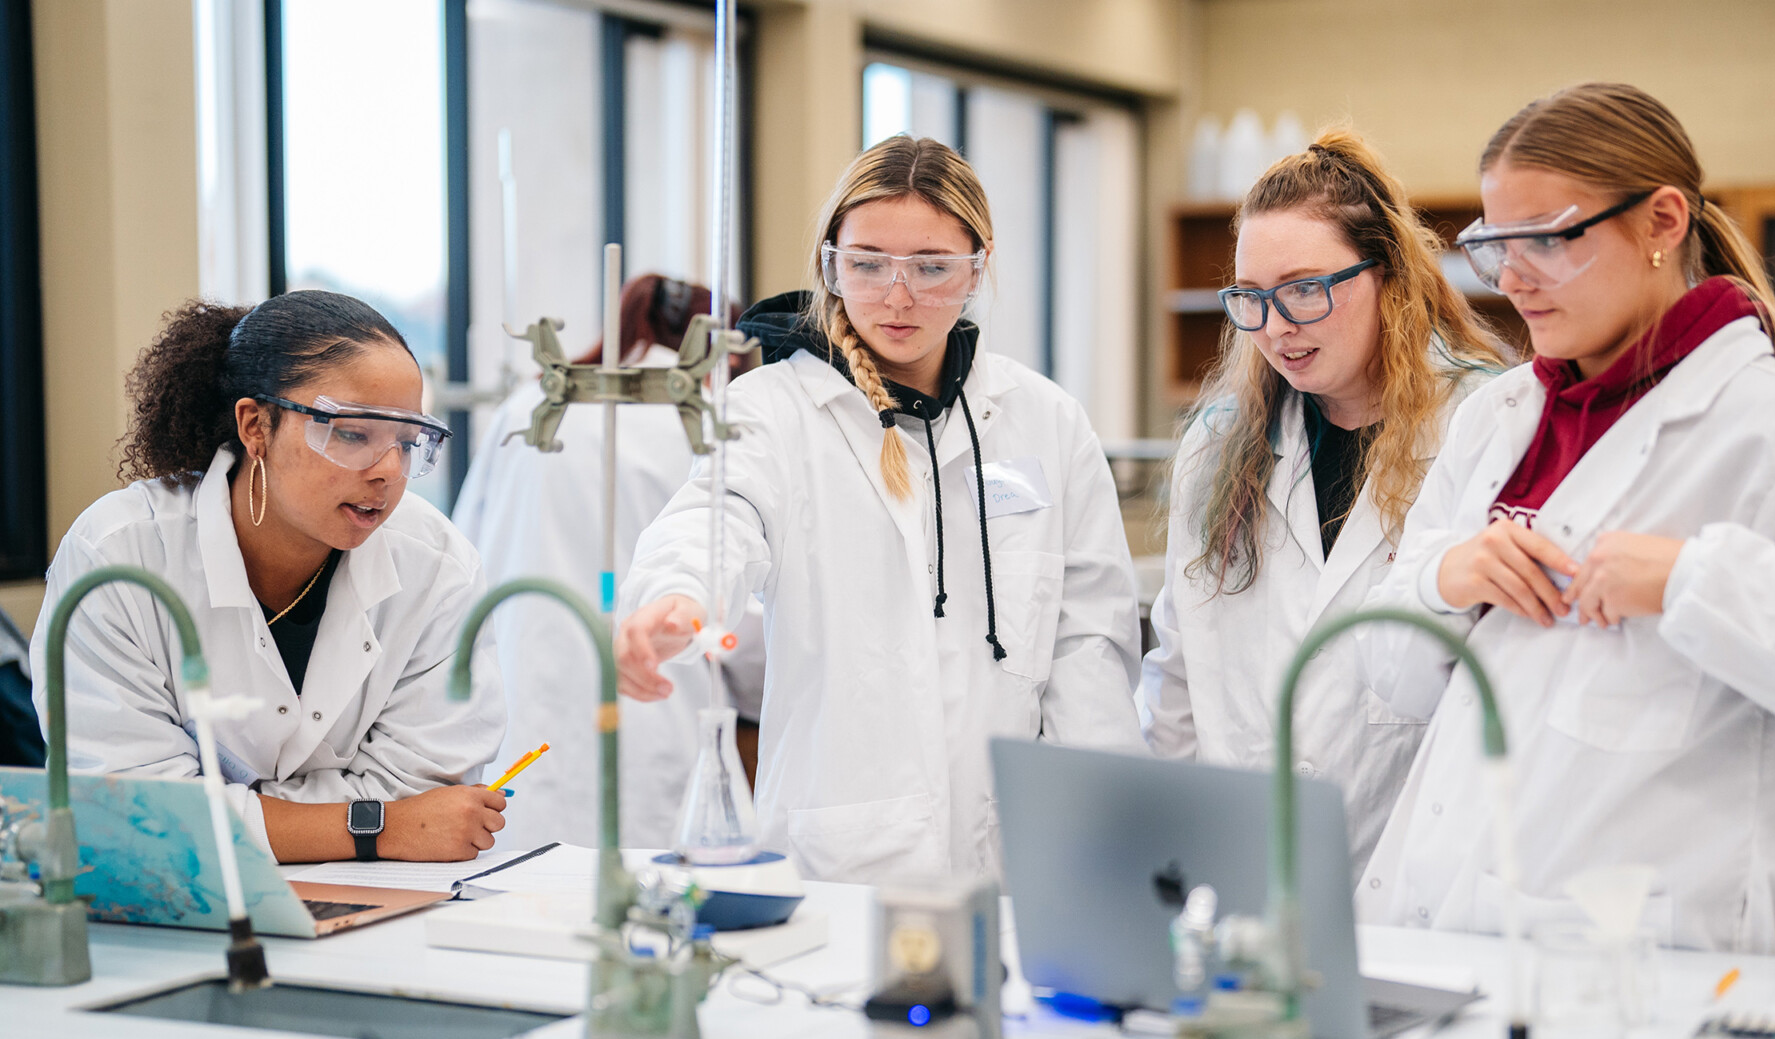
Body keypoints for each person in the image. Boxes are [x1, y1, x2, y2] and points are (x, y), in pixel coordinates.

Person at [1356, 83, 1775, 954]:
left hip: (1657, 959)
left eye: (1548, 239)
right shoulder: (1495, 419)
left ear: (1662, 221)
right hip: (1449, 930)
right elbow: (1389, 679)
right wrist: (1441, 578)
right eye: (1498, 245)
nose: (1515, 278)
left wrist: (1695, 582)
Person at [616, 135, 1144, 884]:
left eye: (931, 268)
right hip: (838, 860)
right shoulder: (774, 410)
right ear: (832, 262)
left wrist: (1102, 830)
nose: (898, 296)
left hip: (1013, 855)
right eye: (866, 265)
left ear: (977, 267)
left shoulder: (1045, 423)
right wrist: (676, 596)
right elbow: (715, 517)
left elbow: (1087, 643)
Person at [1140, 128, 1503, 881]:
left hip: (1408, 880)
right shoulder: (1218, 450)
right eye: (1252, 299)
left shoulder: (1483, 426)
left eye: (1305, 289)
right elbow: (1178, 679)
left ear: (1390, 277)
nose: (1275, 328)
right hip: (1235, 870)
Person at [32, 291, 508, 862]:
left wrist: (226, 815)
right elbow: (134, 817)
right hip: (180, 913)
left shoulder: (437, 566)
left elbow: (429, 799)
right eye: (353, 434)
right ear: (256, 426)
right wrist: (377, 828)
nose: (388, 472)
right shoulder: (119, 559)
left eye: (408, 442)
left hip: (383, 901)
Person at [454, 274, 764, 851]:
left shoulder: (529, 407)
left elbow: (463, 555)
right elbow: (738, 612)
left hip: (521, 711)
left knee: (528, 894)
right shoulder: (707, 423)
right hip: (653, 714)